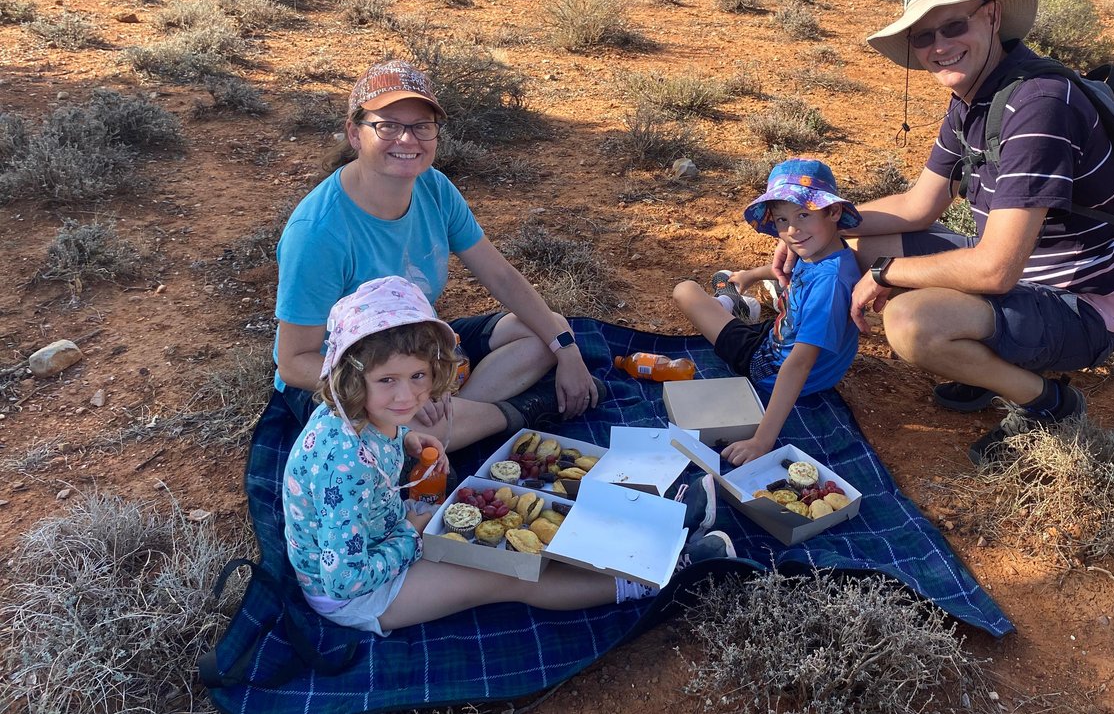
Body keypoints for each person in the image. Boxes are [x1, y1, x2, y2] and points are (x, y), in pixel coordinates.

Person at [815, 0, 1114, 465]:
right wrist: (815, 228)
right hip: (1025, 276)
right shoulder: (976, 96)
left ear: (990, 16)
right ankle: (989, 359)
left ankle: (1047, 402)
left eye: (953, 25)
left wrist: (887, 273)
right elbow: (917, 206)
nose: (940, 47)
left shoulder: (1037, 106)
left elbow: (996, 268)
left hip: (1078, 304)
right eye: (923, 37)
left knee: (912, 323)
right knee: (866, 238)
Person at [283, 276, 734, 635]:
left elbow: (377, 440)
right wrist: (413, 533)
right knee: (512, 571)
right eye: (389, 381)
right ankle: (651, 576)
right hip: (357, 594)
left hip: (379, 531)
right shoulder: (345, 471)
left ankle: (657, 524)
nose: (408, 397)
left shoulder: (354, 410)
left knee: (526, 518)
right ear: (352, 376)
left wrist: (408, 441)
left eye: (419, 375)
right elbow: (346, 578)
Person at [273, 58, 599, 450]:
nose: (407, 140)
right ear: (355, 134)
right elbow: (293, 363)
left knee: (545, 328)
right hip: (350, 369)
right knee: (404, 433)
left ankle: (455, 413)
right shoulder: (318, 233)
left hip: (415, 347)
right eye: (387, 126)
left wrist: (566, 348)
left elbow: (501, 277)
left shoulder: (434, 187)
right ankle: (515, 414)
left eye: (421, 127)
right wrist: (402, 390)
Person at [673, 158, 862, 466]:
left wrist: (762, 440)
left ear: (834, 211)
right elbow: (797, 270)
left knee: (684, 291)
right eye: (781, 221)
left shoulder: (829, 286)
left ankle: (727, 302)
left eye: (803, 214)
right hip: (777, 335)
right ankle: (735, 301)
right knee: (752, 309)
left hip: (765, 365)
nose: (792, 230)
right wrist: (753, 275)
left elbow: (798, 364)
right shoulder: (829, 252)